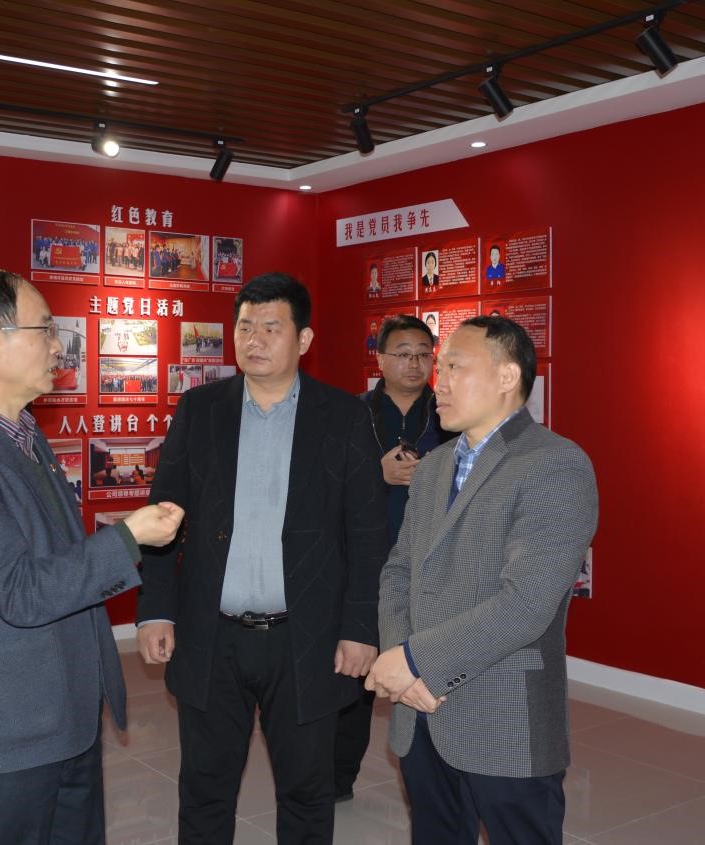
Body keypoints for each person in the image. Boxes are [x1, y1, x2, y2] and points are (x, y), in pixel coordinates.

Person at [0, 267, 183, 845]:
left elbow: (58, 560)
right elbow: (21, 592)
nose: (59, 346)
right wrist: (127, 538)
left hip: (65, 717)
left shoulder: (23, 434)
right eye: (45, 329)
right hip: (7, 732)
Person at [137, 272, 388, 844]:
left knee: (306, 792)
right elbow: (161, 518)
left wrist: (360, 628)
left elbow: (368, 534)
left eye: (271, 328)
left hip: (306, 637)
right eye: (245, 326)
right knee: (204, 789)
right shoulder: (201, 409)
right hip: (212, 634)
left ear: (304, 339)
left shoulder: (344, 416)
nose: (254, 339)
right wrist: (157, 609)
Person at [366, 316, 598, 845]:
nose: (438, 382)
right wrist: (404, 664)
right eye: (440, 368)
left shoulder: (555, 464)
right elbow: (399, 572)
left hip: (503, 716)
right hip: (420, 714)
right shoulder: (433, 466)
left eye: (454, 367)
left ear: (506, 376)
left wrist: (415, 661)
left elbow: (526, 604)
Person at [334, 315, 457, 801]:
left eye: (424, 354)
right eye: (403, 354)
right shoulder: (350, 414)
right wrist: (375, 474)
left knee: (428, 671)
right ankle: (337, 779)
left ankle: (436, 781)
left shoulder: (451, 413)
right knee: (353, 674)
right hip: (362, 562)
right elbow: (322, 483)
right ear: (380, 359)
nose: (414, 363)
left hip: (431, 566)